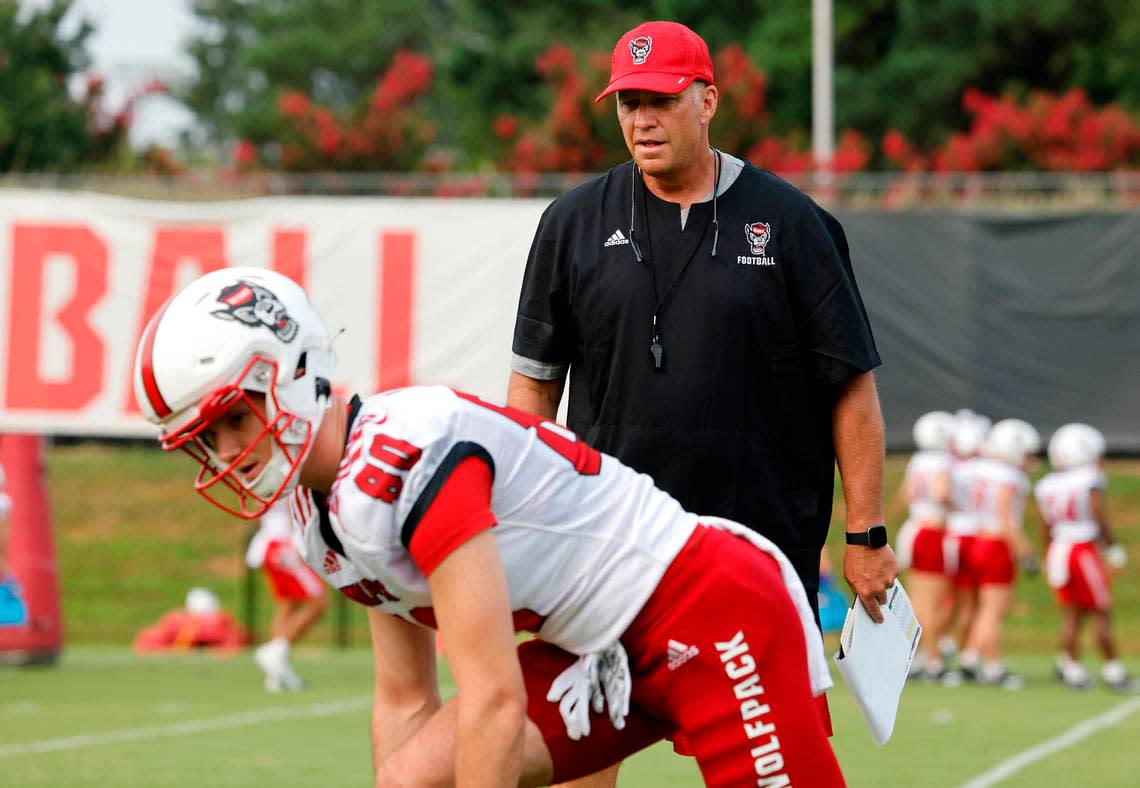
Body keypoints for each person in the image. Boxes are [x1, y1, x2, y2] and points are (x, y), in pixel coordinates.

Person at [133, 267, 844, 786]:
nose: (226, 453)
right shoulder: (320, 516)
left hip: (704, 607)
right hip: (595, 651)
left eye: (233, 419)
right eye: (204, 438)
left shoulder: (409, 454)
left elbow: (495, 701)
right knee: (411, 780)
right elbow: (405, 699)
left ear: (290, 372)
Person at [508, 18, 896, 637]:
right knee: (570, 726)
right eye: (629, 104)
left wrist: (865, 533)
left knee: (771, 736)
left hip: (758, 548)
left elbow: (850, 389)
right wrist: (524, 512)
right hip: (612, 544)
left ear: (707, 101)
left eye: (660, 101)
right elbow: (534, 385)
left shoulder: (794, 224)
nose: (642, 121)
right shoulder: (571, 223)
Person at [1035, 423, 1133, 691]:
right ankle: (1113, 670)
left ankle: (1070, 666)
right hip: (1082, 548)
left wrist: (1047, 554)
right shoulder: (1090, 478)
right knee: (1100, 610)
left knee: (1072, 613)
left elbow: (1045, 525)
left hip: (1058, 549)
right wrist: (1112, 547)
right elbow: (1098, 515)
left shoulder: (1047, 484)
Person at [957, 419, 1040, 689]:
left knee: (983, 608)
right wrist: (1025, 550)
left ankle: (984, 662)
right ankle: (975, 661)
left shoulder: (980, 468)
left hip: (977, 538)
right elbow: (1005, 517)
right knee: (993, 610)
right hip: (995, 544)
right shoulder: (1009, 476)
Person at [895, 411, 956, 681]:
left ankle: (916, 657)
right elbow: (941, 493)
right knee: (931, 602)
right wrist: (959, 507)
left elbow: (905, 494)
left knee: (918, 601)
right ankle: (933, 659)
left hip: (914, 528)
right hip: (932, 532)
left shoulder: (917, 460)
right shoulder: (942, 462)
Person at [246, 498, 328, 691]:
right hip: (285, 545)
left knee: (286, 604)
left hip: (269, 544)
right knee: (318, 602)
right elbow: (294, 505)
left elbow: (257, 512)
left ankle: (276, 672)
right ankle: (276, 650)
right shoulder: (284, 472)